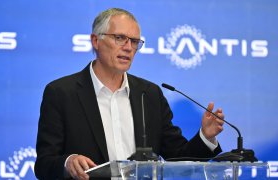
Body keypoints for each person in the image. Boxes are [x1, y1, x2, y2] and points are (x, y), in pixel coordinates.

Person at [34, 8, 225, 180]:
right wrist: (68, 162)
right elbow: (43, 164)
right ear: (95, 41)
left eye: (134, 42)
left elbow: (178, 158)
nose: (128, 47)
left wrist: (206, 137)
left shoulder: (149, 94)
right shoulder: (61, 93)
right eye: (119, 38)